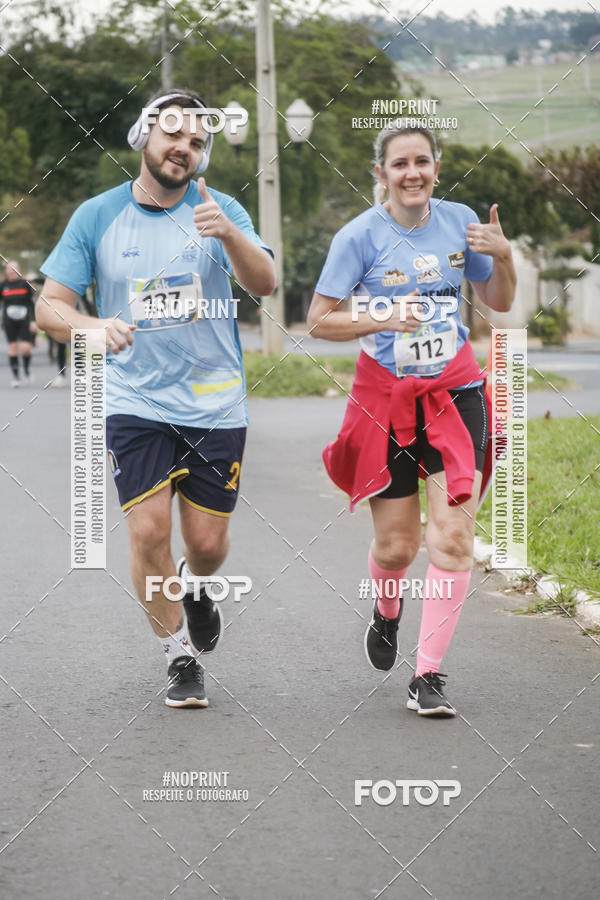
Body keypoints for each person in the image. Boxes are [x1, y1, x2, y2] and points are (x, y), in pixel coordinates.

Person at [37, 89, 275, 707]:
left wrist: (229, 234)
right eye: (174, 134)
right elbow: (50, 304)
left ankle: (197, 586)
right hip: (132, 398)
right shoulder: (97, 215)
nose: (184, 149)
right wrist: (90, 327)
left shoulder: (221, 209)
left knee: (206, 546)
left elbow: (266, 283)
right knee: (147, 534)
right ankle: (179, 658)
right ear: (145, 135)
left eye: (198, 142)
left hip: (215, 403)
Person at [308, 124, 516, 716]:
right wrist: (378, 319)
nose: (412, 173)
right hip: (386, 398)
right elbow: (318, 320)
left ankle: (428, 675)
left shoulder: (462, 220)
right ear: (381, 174)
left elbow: (498, 299)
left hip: (457, 392)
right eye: (400, 164)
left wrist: (504, 256)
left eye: (422, 162)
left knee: (452, 537)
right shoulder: (358, 237)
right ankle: (387, 608)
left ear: (436, 167)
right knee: (397, 547)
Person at [1, 261, 37, 387]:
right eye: (9, 269)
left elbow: (31, 304)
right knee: (13, 348)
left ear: (18, 270)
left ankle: (26, 370)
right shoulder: (3, 285)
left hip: (24, 320)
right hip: (9, 321)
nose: (11, 271)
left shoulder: (25, 284)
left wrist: (33, 321)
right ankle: (16, 377)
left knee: (26, 348)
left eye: (14, 269)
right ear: (6, 271)